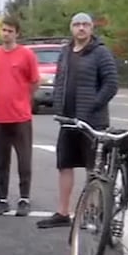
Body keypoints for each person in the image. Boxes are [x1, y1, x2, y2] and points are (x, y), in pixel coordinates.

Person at [37, 12, 119, 229]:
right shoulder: (65, 52)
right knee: (65, 165)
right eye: (77, 24)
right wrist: (57, 104)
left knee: (94, 168)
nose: (81, 28)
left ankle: (93, 212)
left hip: (92, 122)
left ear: (91, 28)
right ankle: (63, 212)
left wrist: (92, 105)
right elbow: (60, 81)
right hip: (68, 120)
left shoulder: (100, 53)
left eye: (85, 24)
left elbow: (111, 84)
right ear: (71, 28)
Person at [0, 16, 38, 217]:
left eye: (10, 30)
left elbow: (34, 82)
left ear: (17, 33)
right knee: (1, 161)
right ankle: (2, 199)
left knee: (24, 160)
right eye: (4, 30)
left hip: (21, 117)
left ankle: (24, 198)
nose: (6, 34)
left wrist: (24, 101)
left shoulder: (26, 55)